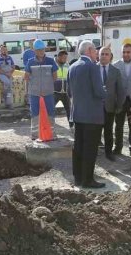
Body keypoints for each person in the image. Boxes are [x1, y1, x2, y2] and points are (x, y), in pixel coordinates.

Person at [67, 40, 106, 188]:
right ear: (89, 50)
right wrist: (105, 92)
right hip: (92, 116)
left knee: (78, 148)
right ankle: (88, 180)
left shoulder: (72, 66)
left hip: (77, 115)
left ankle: (78, 178)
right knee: (90, 149)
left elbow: (69, 92)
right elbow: (99, 91)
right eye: (95, 51)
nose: (97, 53)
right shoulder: (92, 66)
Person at [25, 39, 58, 140]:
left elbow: (55, 76)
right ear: (34, 51)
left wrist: (47, 85)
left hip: (48, 92)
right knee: (35, 113)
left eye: (42, 49)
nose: (41, 51)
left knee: (50, 112)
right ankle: (35, 135)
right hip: (34, 93)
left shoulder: (50, 61)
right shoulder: (30, 62)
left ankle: (51, 133)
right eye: (38, 50)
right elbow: (26, 77)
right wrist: (33, 86)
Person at [98, 47, 125, 161]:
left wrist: (119, 106)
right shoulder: (92, 69)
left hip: (109, 106)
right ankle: (94, 152)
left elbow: (120, 90)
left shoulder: (115, 71)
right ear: (98, 56)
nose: (104, 56)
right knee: (95, 131)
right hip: (95, 107)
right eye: (102, 54)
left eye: (106, 54)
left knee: (108, 131)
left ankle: (109, 152)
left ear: (110, 56)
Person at [112, 43, 131, 157]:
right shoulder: (115, 65)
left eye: (128, 52)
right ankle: (118, 147)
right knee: (118, 125)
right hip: (120, 100)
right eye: (124, 52)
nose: (126, 54)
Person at [54, 50, 72, 128]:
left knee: (69, 110)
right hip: (55, 92)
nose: (65, 59)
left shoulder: (67, 65)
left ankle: (71, 126)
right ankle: (50, 126)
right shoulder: (53, 65)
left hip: (65, 92)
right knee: (50, 110)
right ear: (59, 57)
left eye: (66, 58)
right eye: (64, 58)